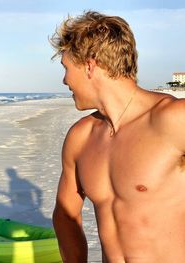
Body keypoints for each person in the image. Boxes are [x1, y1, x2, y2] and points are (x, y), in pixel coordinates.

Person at [50, 11, 185, 263]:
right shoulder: (80, 137)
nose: (65, 80)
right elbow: (65, 215)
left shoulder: (173, 119)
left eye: (66, 68)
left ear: (89, 65)